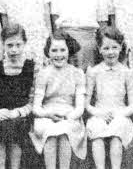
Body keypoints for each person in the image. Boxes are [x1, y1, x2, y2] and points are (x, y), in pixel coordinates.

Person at [30, 31, 87, 169]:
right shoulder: (43, 74)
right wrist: (47, 114)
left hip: (69, 115)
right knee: (50, 133)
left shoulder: (77, 73)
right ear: (48, 52)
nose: (58, 54)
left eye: (62, 50)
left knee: (64, 133)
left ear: (69, 51)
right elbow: (36, 107)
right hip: (47, 115)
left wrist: (69, 116)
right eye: (54, 50)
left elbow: (80, 107)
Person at [0, 24, 37, 169]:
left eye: (18, 45)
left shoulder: (31, 67)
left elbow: (33, 101)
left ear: (25, 44)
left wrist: (18, 112)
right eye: (9, 45)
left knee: (14, 127)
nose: (14, 50)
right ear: (3, 45)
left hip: (21, 114)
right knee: (0, 127)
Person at [86, 26, 133, 169]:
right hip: (100, 113)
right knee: (96, 132)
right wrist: (99, 113)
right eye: (106, 48)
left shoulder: (127, 72)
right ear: (99, 48)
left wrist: (118, 114)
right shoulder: (94, 72)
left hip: (120, 114)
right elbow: (87, 104)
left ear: (121, 47)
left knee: (117, 133)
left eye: (114, 47)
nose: (110, 52)